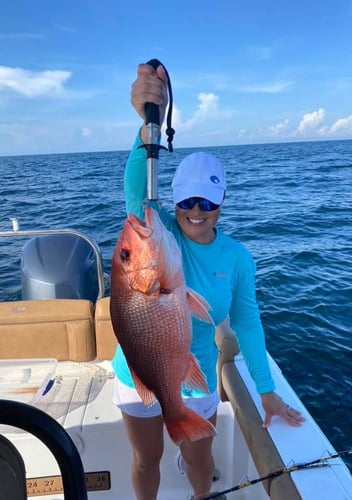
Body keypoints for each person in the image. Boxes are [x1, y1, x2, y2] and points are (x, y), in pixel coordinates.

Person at [112, 63, 305, 500]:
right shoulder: (159, 233)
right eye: (186, 200)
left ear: (221, 202)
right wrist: (144, 129)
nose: (195, 210)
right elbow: (134, 192)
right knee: (146, 459)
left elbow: (249, 324)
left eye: (207, 201)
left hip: (195, 379)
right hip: (138, 371)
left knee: (202, 459)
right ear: (173, 201)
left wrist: (267, 392)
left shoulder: (236, 259)